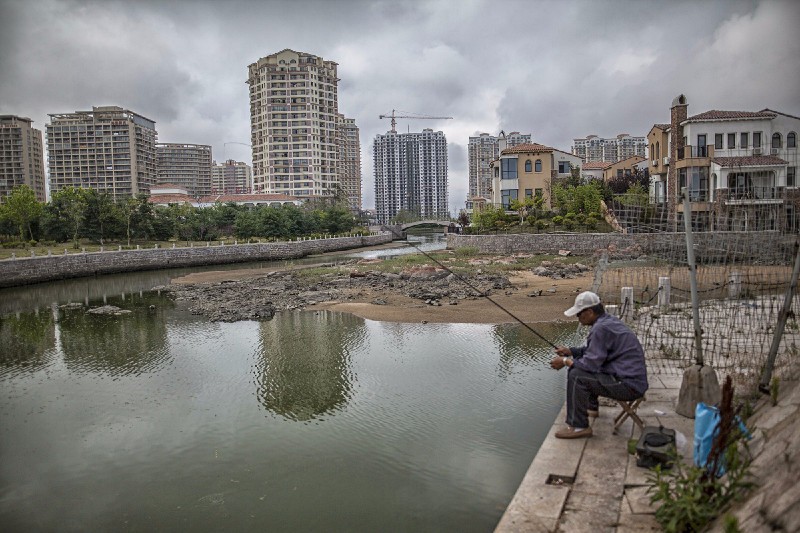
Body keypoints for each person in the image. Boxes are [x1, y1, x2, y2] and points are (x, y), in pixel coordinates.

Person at [549, 291, 648, 439]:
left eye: (578, 314)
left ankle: (578, 427)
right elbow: (592, 352)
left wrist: (564, 361)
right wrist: (570, 351)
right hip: (631, 380)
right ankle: (591, 408)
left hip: (629, 386)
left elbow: (589, 365)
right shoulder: (607, 322)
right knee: (580, 368)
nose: (578, 318)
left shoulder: (600, 329)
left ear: (589, 312)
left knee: (576, 374)